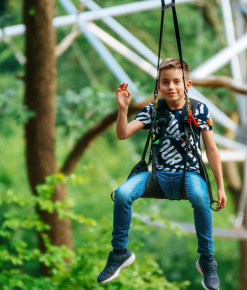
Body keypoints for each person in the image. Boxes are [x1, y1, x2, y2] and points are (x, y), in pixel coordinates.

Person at [97, 58, 227, 290]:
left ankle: (207, 259)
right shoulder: (154, 109)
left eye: (177, 82)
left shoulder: (198, 109)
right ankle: (119, 253)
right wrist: (123, 108)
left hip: (190, 174)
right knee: (122, 193)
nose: (171, 87)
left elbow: (212, 150)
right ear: (158, 86)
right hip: (157, 175)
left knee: (200, 198)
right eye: (165, 82)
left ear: (187, 85)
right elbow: (123, 133)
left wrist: (220, 186)